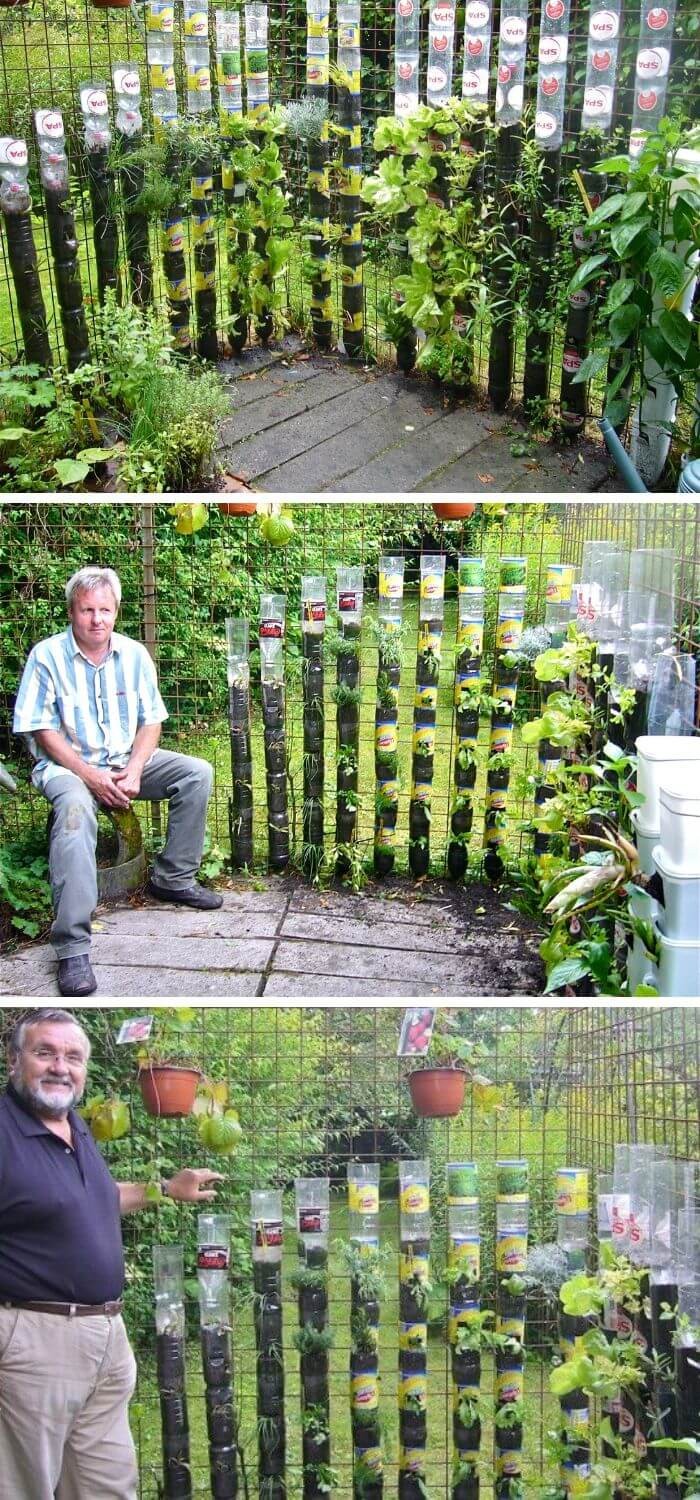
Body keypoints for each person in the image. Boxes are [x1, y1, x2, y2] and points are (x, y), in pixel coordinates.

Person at [0, 1007, 223, 1500]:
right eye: (45, 1053)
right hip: (35, 1341)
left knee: (107, 1486)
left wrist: (165, 1187)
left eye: (73, 1057)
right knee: (22, 1486)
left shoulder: (73, 1127)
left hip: (106, 1340)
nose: (61, 1066)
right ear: (14, 1061)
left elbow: (91, 1201)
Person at [13, 566, 223, 998]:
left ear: (116, 612)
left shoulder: (133, 655)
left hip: (124, 762)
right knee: (73, 810)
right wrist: (88, 775)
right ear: (72, 612)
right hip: (67, 768)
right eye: (87, 610)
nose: (96, 620)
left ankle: (173, 880)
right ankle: (72, 945)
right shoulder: (46, 656)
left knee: (196, 773)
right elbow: (42, 731)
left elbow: (151, 723)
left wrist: (135, 766)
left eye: (104, 610)